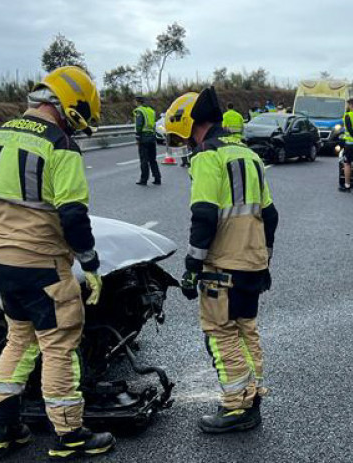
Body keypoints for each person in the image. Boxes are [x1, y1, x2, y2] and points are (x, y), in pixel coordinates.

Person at [0, 66, 115, 459]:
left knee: (18, 340)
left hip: (4, 264)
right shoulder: (60, 145)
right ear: (69, 104)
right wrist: (90, 262)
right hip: (45, 266)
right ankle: (70, 435)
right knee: (58, 346)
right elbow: (72, 215)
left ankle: (0, 429)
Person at [165, 86, 279, 434]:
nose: (183, 144)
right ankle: (252, 395)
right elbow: (270, 215)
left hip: (223, 265)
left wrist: (191, 267)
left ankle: (235, 408)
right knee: (246, 329)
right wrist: (265, 258)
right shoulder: (247, 154)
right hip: (253, 261)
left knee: (219, 334)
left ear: (189, 125)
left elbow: (204, 215)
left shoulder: (207, 157)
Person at [134, 96, 161, 185]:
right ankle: (157, 178)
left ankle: (144, 179)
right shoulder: (151, 111)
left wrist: (137, 137)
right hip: (152, 137)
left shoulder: (139, 111)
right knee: (153, 159)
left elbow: (139, 125)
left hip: (144, 138)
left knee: (144, 160)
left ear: (137, 102)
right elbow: (153, 124)